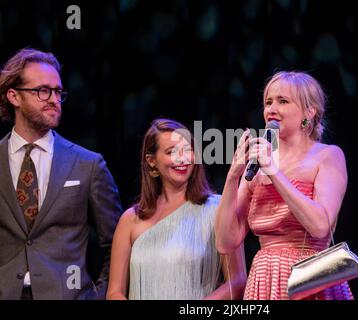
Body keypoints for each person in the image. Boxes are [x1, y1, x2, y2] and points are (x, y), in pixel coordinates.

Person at [214, 71, 353, 300]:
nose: (272, 109)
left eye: (283, 101)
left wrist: (274, 172)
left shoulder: (328, 156)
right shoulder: (257, 164)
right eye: (268, 102)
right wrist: (232, 178)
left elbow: (320, 226)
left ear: (309, 112)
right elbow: (225, 242)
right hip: (265, 279)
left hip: (309, 278)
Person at [0, 48, 123, 299]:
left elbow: (118, 243)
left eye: (58, 91)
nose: (54, 99)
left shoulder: (87, 164)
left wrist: (96, 295)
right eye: (42, 90)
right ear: (14, 96)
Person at [107, 118, 247, 300]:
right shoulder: (130, 220)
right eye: (171, 151)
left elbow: (237, 281)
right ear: (151, 161)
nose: (181, 158)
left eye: (187, 150)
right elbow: (114, 292)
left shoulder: (218, 209)